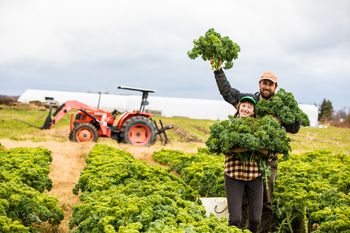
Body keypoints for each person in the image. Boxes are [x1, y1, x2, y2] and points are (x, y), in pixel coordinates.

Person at [213, 67, 300, 233]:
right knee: (243, 200)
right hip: (243, 159)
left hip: (268, 161)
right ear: (259, 84)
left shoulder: (280, 107)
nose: (267, 87)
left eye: (270, 85)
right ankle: (241, 230)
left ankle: (261, 231)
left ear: (275, 87)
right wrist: (218, 71)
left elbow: (294, 128)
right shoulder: (250, 100)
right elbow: (227, 92)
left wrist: (292, 110)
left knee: (265, 202)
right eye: (264, 83)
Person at [225, 95, 264, 232]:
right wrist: (243, 147)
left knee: (255, 220)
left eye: (249, 106)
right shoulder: (229, 125)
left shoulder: (260, 128)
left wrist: (259, 148)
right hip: (233, 176)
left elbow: (269, 151)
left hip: (254, 177)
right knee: (235, 219)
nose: (246, 109)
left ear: (253, 111)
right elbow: (224, 148)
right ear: (239, 108)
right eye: (244, 106)